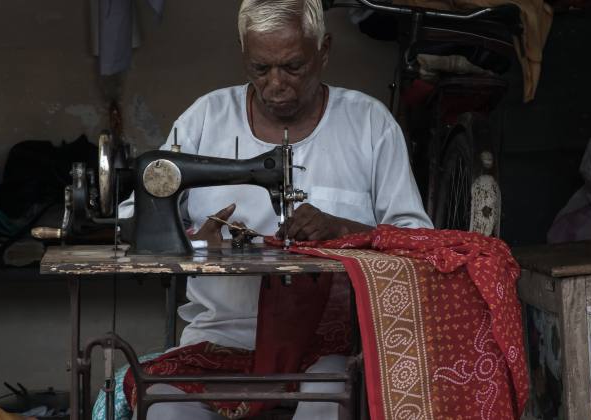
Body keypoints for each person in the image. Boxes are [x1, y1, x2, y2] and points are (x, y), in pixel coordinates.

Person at [117, 0, 432, 418]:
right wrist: (189, 241)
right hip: (218, 338)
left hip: (331, 345)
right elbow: (129, 221)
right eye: (260, 69)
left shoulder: (369, 125)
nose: (275, 85)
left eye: (293, 67)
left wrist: (345, 229)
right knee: (165, 412)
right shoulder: (206, 119)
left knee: (328, 404)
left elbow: (418, 243)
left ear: (324, 50)